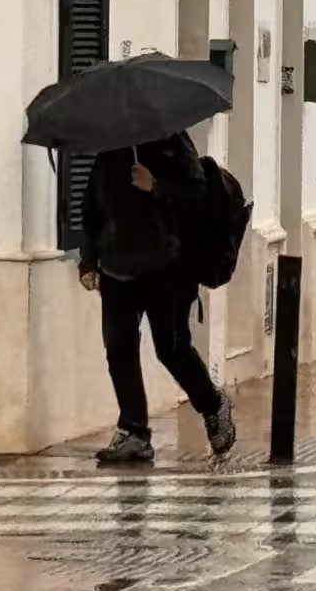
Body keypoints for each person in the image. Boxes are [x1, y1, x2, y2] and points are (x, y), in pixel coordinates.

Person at [77, 132, 236, 463]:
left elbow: (197, 190)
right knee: (119, 349)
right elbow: (91, 208)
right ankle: (134, 431)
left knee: (172, 349)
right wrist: (89, 259)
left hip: (168, 268)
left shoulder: (172, 141)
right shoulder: (110, 149)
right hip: (118, 268)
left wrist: (157, 185)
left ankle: (213, 404)